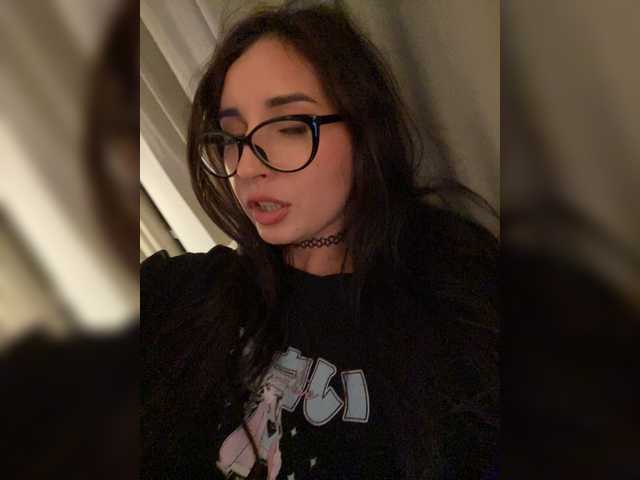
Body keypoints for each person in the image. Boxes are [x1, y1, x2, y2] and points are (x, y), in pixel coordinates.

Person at [142, 3, 498, 479]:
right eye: (230, 137)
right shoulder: (189, 292)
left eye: (290, 127)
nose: (246, 166)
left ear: (363, 128)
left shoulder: (459, 300)